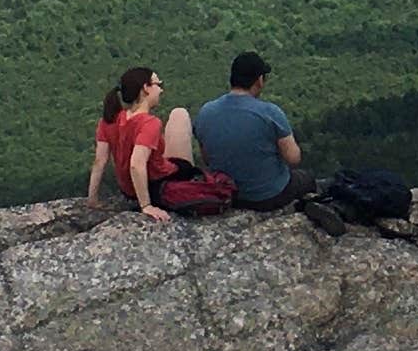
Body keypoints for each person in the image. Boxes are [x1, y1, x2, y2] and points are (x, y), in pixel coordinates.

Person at [194, 53, 342, 232]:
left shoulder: (206, 112)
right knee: (306, 179)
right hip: (267, 196)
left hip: (226, 194)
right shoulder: (270, 113)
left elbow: (207, 159)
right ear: (259, 80)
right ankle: (317, 206)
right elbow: (294, 158)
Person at [85, 65, 190, 212]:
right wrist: (146, 206)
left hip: (128, 191)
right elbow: (136, 164)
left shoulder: (108, 120)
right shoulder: (149, 123)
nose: (161, 90)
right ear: (146, 88)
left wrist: (92, 199)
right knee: (180, 117)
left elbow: (100, 161)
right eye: (158, 85)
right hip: (158, 186)